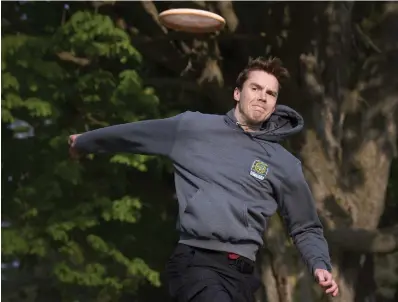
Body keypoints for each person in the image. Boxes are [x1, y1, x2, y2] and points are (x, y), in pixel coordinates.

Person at [69, 57, 339, 301]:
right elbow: (137, 134)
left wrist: (319, 264)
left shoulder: (283, 163)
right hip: (196, 262)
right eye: (255, 88)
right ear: (237, 93)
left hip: (243, 275)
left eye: (270, 93)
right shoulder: (193, 128)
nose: (262, 97)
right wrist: (86, 141)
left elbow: (305, 226)